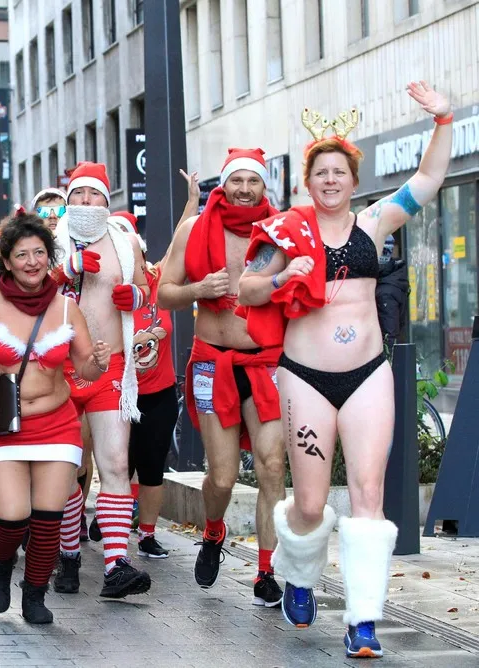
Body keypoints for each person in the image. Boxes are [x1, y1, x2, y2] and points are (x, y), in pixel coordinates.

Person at [237, 82, 453, 658]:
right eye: (321, 173)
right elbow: (246, 288)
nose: (330, 180)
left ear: (354, 181)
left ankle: (364, 620)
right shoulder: (286, 232)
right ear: (307, 182)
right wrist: (281, 278)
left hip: (368, 375)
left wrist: (443, 120)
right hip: (305, 377)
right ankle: (299, 577)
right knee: (310, 503)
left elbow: (429, 179)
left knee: (368, 494)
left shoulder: (375, 222)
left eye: (339, 173)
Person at [0, 213, 110, 623]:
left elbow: (85, 370)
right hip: (5, 427)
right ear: (7, 261)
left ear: (48, 257)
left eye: (39, 253)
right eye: (22, 254)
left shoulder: (67, 308)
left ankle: (35, 594)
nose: (32, 262)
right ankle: (1, 567)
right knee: (11, 516)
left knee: (49, 518)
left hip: (58, 425)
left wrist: (98, 362)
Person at [157, 148, 286, 606]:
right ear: (223, 184)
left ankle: (267, 571)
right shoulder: (194, 229)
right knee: (224, 477)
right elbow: (163, 293)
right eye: (237, 181)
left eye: (253, 181)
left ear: (264, 186)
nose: (245, 189)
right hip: (213, 362)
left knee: (273, 467)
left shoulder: (280, 231)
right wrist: (198, 289)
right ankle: (214, 531)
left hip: (267, 362)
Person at [51, 161, 152, 599]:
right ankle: (69, 555)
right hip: (56, 370)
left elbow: (146, 287)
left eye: (94, 194)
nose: (86, 200)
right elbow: (23, 291)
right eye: (78, 193)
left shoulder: (124, 242)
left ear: (107, 201)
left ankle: (115, 565)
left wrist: (136, 296)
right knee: (66, 470)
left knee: (114, 464)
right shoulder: (48, 241)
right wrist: (63, 270)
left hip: (111, 366)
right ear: (68, 199)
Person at [110, 170, 200, 559]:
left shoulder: (159, 279)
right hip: (116, 393)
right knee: (118, 464)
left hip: (159, 393)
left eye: (129, 249)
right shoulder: (104, 291)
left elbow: (181, 240)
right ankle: (114, 520)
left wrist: (193, 201)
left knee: (151, 466)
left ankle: (146, 534)